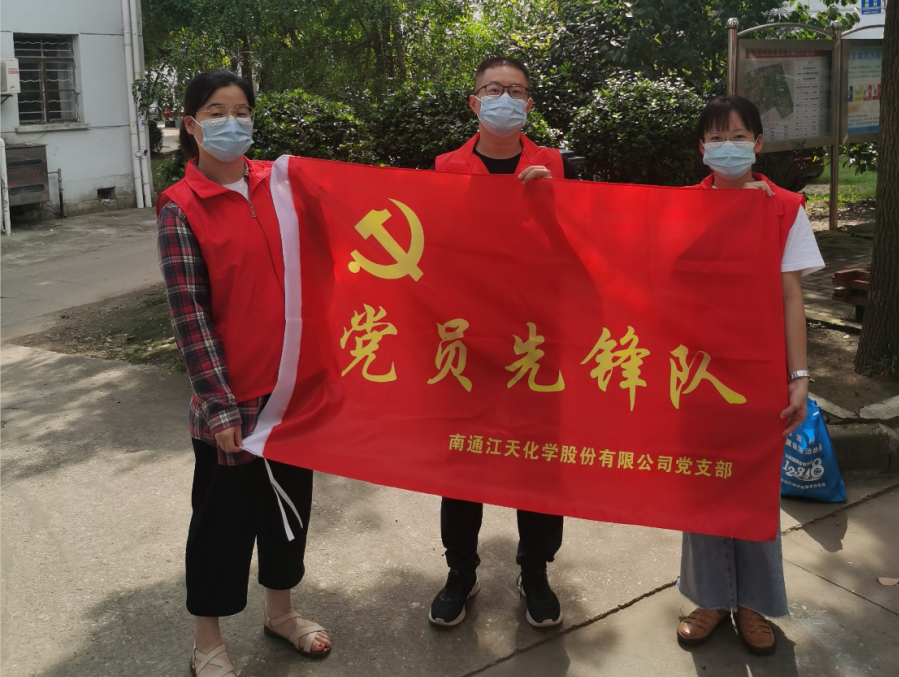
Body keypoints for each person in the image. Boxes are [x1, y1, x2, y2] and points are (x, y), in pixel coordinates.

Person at [156, 70, 332, 677]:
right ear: (191, 125)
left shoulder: (282, 184)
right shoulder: (182, 208)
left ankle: (280, 612)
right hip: (232, 403)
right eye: (215, 111)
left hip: (293, 395)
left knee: (288, 512)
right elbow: (190, 317)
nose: (231, 121)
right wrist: (219, 404)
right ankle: (207, 640)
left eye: (241, 110)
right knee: (221, 524)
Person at [429, 56, 578, 629]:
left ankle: (534, 570)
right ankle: (460, 571)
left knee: (538, 458)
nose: (504, 99)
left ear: (529, 105)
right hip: (466, 339)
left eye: (515, 91)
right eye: (493, 89)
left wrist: (551, 205)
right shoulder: (445, 168)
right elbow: (435, 249)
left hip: (535, 340)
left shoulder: (554, 165)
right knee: (462, 456)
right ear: (474, 102)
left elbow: (575, 248)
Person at [675, 94, 824, 656]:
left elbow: (791, 297)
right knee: (702, 481)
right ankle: (709, 598)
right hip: (694, 370)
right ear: (702, 148)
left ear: (758, 144)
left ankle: (754, 604)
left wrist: (798, 374)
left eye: (739, 136)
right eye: (717, 137)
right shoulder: (681, 207)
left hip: (757, 373)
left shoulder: (784, 207)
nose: (728, 146)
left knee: (754, 486)